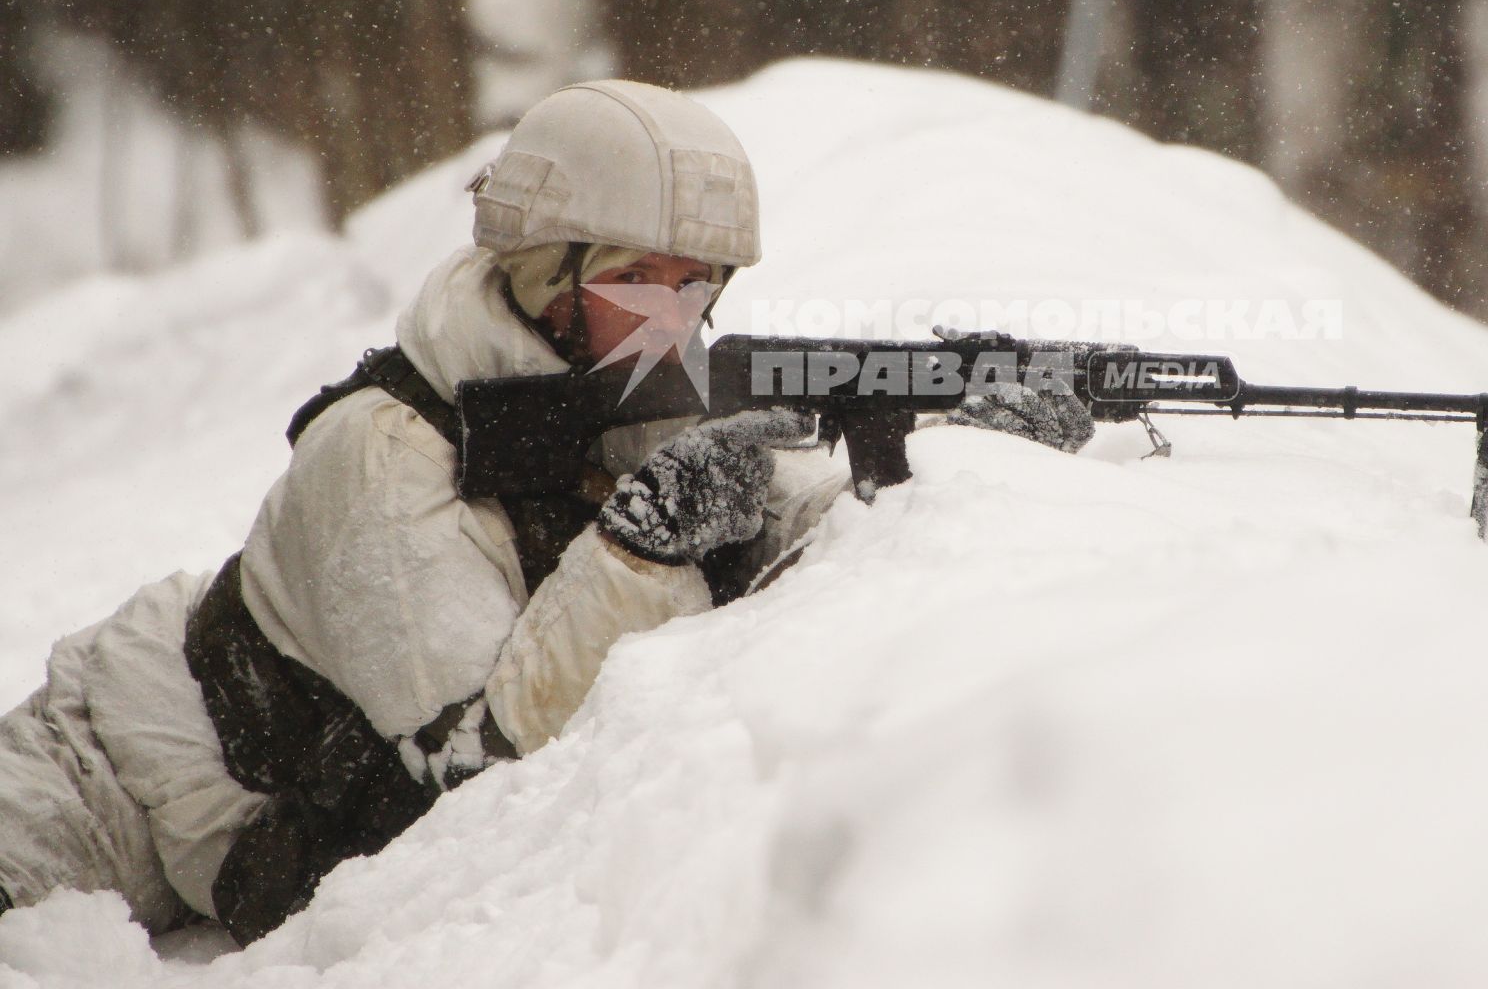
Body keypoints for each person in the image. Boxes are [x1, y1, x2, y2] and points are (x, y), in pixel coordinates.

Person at [0, 79, 1094, 944]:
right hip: (115, 771)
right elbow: (481, 765)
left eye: (699, 279)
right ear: (541, 268)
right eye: (639, 276)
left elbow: (788, 528)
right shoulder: (381, 448)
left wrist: (947, 448)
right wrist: (636, 546)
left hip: (279, 807)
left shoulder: (630, 373)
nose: (675, 314)